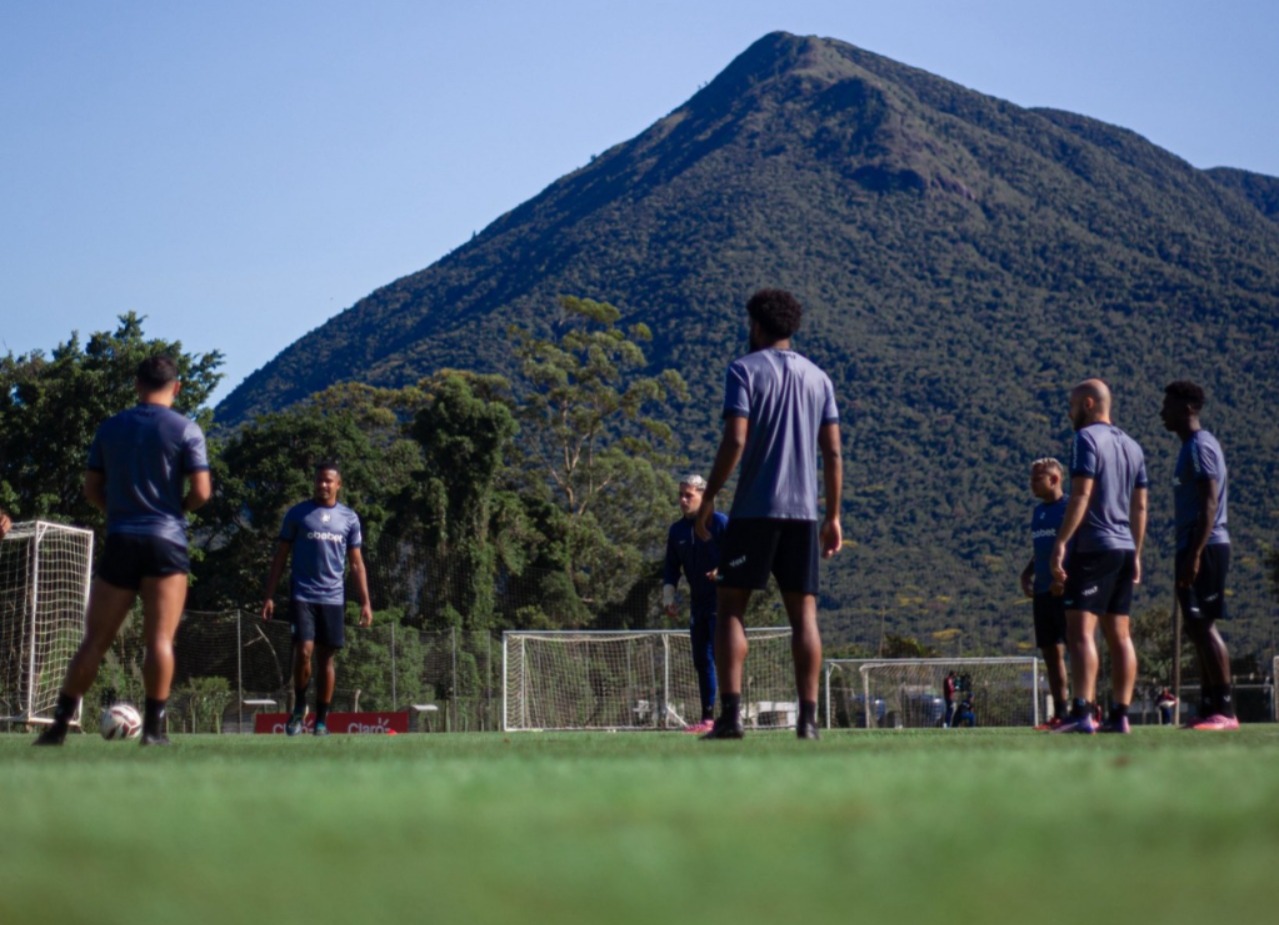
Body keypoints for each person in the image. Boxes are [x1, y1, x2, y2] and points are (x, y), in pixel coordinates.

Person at [35, 356, 212, 746]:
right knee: (160, 641)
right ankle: (152, 731)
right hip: (167, 541)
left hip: (121, 539)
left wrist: (118, 513)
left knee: (94, 641)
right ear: (177, 387)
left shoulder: (110, 428)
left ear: (137, 385)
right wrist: (176, 511)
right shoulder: (187, 430)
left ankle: (59, 728)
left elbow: (91, 489)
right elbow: (201, 493)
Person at [694, 288, 842, 741]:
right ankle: (809, 722)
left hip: (755, 511)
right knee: (804, 616)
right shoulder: (819, 378)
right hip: (804, 515)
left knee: (731, 609)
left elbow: (736, 441)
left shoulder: (743, 369)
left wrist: (709, 497)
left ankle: (731, 717)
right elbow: (833, 453)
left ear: (757, 325)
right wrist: (833, 515)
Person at [1050, 379, 1147, 734]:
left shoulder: (1085, 440)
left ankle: (1082, 713)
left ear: (1088, 404)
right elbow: (1140, 506)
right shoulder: (1133, 446)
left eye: (1072, 405)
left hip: (1093, 545)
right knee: (1120, 634)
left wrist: (1062, 542)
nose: (1069, 412)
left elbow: (1080, 494)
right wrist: (1136, 551)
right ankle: (1120, 715)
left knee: (1080, 632)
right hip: (1123, 547)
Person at [262, 462, 372, 736]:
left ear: (338, 485)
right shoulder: (298, 514)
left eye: (329, 481)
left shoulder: (349, 518)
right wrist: (269, 595)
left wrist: (365, 602)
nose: (323, 485)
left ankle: (322, 719)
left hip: (333, 599)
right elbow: (280, 557)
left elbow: (356, 564)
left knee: (326, 659)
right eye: (319, 480)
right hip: (303, 595)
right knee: (304, 651)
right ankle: (300, 708)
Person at [1161, 380, 1236, 730]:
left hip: (1205, 546)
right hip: (1190, 546)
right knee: (1194, 626)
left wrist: (1196, 553)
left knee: (1204, 624)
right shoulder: (1187, 447)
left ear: (1188, 408)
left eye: (1169, 405)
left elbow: (1210, 503)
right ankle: (1209, 709)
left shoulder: (1201, 446)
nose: (1163, 411)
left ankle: (1226, 710)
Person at [663, 474, 727, 733]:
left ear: (704, 495)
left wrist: (721, 572)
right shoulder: (676, 530)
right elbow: (670, 568)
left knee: (724, 659)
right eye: (680, 495)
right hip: (697, 605)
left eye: (689, 495)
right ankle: (708, 720)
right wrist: (668, 597)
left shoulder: (720, 523)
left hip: (722, 603)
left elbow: (742, 557)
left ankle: (731, 714)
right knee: (702, 660)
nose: (683, 500)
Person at [1019, 457, 1072, 729]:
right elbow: (1042, 546)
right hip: (1042, 590)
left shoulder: (1070, 507)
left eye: (1036, 479)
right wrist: (1028, 572)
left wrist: (1063, 578)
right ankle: (1060, 712)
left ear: (1054, 479)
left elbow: (1073, 544)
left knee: (1077, 648)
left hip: (1064, 589)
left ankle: (1086, 707)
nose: (1031, 484)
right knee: (1051, 652)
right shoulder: (1039, 512)